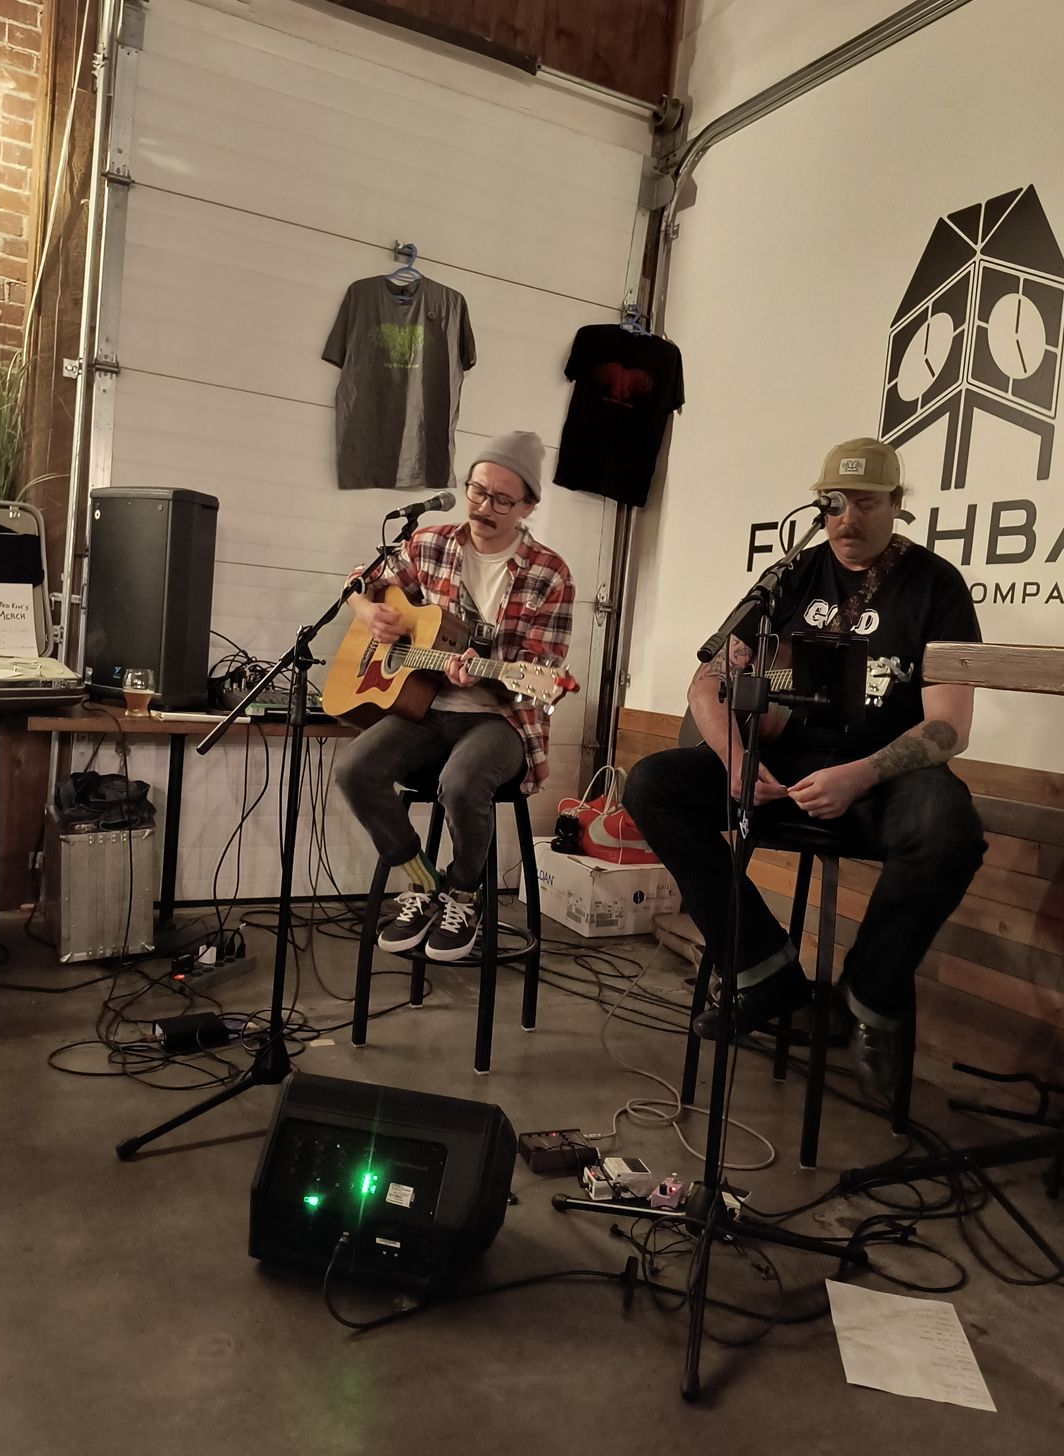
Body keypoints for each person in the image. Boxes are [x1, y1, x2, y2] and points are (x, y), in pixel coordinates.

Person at [623, 436, 987, 1100]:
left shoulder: (936, 585)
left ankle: (867, 1001)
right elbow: (706, 685)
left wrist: (861, 774)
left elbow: (948, 728)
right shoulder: (787, 578)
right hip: (783, 767)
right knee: (654, 784)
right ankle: (763, 971)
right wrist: (736, 764)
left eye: (867, 503)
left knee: (949, 828)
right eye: (835, 503)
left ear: (897, 504)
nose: (849, 519)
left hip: (882, 776)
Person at [335, 430, 575, 961]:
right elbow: (361, 580)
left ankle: (463, 894)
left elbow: (541, 669)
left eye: (502, 500)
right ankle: (421, 882)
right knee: (354, 769)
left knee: (462, 782)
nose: (484, 508)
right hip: (424, 709)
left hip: (501, 720)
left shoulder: (550, 574)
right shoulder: (430, 544)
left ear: (528, 506)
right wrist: (368, 612)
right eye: (478, 491)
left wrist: (483, 676)